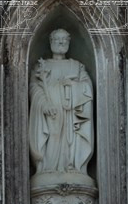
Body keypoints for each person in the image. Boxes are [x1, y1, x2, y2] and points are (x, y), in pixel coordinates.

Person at [29, 28, 94, 176]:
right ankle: (48, 169)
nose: (61, 42)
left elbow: (87, 86)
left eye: (64, 39)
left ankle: (73, 166)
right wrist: (44, 104)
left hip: (71, 114)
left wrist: (73, 85)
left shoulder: (77, 66)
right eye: (57, 39)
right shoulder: (41, 66)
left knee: (71, 142)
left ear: (69, 42)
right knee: (53, 137)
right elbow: (34, 87)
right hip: (51, 112)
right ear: (51, 41)